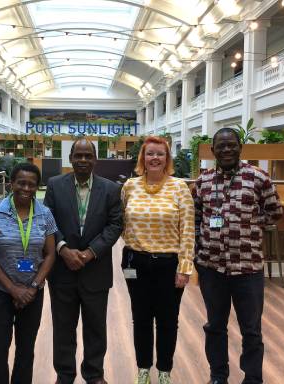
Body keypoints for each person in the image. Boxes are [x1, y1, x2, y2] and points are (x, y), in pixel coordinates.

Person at [193, 127, 283, 384]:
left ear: (240, 147)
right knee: (215, 327)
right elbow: (196, 217)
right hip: (212, 268)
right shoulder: (203, 181)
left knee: (251, 330)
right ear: (213, 151)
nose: (227, 150)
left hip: (248, 269)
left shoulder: (259, 178)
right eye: (221, 146)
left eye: (231, 145)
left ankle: (253, 378)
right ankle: (218, 376)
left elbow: (275, 212)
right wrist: (199, 251)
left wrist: (249, 226)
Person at [44, 138, 123, 384]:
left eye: (88, 156)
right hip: (62, 271)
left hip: (95, 270)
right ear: (70, 158)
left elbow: (115, 224)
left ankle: (94, 374)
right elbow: (47, 221)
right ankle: (64, 375)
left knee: (96, 328)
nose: (83, 161)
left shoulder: (110, 189)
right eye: (78, 156)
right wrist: (63, 248)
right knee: (63, 328)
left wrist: (90, 252)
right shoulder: (55, 185)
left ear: (95, 160)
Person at [121, 136, 195, 384]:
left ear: (167, 158)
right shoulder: (130, 186)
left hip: (168, 264)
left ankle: (164, 370)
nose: (154, 158)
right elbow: (120, 220)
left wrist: (185, 267)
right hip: (135, 263)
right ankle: (143, 369)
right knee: (140, 318)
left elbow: (187, 230)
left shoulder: (179, 187)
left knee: (167, 320)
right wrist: (134, 241)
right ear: (143, 158)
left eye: (160, 154)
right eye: (150, 153)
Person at [0, 162, 57, 384]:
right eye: (21, 183)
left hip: (33, 294)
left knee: (26, 349)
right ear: (11, 184)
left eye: (31, 184)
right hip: (1, 292)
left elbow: (50, 254)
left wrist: (32, 288)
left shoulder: (45, 214)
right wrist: (13, 289)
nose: (26, 188)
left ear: (37, 187)